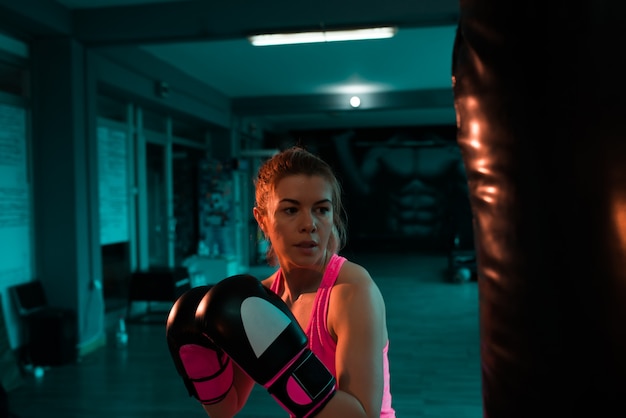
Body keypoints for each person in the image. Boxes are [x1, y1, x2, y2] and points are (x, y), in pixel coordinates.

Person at [167, 145, 395, 418]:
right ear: (262, 219)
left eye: (321, 210)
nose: (309, 224)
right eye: (291, 210)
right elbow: (227, 408)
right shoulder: (258, 300)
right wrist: (201, 361)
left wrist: (286, 367)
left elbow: (363, 415)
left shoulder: (352, 292)